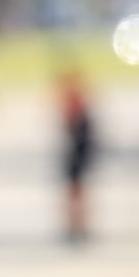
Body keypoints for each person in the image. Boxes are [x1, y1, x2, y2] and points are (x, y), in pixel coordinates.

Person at [57, 65, 96, 244]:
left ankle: (76, 226)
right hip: (78, 151)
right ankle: (76, 226)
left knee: (75, 190)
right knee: (76, 191)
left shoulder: (76, 102)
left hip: (77, 151)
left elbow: (69, 124)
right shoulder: (80, 101)